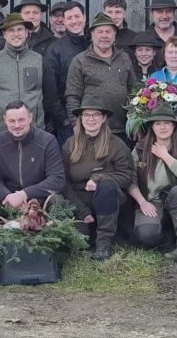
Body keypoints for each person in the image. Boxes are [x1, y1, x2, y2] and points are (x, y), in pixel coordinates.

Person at [62, 98, 135, 260]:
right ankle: (88, 231)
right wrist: (82, 211)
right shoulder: (70, 144)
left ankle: (103, 245)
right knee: (82, 242)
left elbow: (126, 176)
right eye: (86, 115)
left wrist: (99, 178)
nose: (91, 119)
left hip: (109, 200)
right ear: (80, 118)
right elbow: (63, 181)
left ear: (103, 118)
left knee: (107, 186)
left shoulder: (116, 144)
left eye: (96, 114)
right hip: (80, 201)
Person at [127, 104, 177, 263]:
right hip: (152, 202)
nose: (162, 127)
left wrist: (165, 156)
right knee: (146, 234)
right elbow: (129, 179)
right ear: (152, 127)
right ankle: (167, 236)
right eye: (158, 123)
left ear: (174, 126)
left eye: (167, 123)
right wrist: (143, 202)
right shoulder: (139, 149)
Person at [0, 13, 60, 137]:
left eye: (20, 30)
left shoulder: (40, 61)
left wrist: (37, 113)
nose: (16, 34)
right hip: (0, 131)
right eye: (11, 30)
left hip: (34, 130)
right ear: (4, 34)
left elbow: (50, 95)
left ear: (26, 33)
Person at [65, 13, 138, 144]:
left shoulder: (124, 58)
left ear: (114, 35)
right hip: (92, 130)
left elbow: (134, 92)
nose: (104, 35)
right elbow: (72, 96)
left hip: (123, 130)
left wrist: (137, 122)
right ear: (92, 35)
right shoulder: (80, 61)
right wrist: (76, 125)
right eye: (100, 31)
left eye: (108, 31)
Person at [0, 101, 66, 213]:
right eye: (12, 121)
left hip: (39, 196)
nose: (17, 125)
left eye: (21, 120)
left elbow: (57, 179)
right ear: (5, 120)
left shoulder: (48, 140)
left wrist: (24, 194)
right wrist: (9, 197)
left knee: (57, 202)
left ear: (30, 118)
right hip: (8, 197)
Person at [44, 1, 89, 142]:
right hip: (69, 122)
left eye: (77, 16)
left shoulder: (95, 44)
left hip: (97, 118)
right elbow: (50, 89)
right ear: (64, 21)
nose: (74, 21)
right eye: (69, 18)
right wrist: (64, 119)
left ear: (85, 17)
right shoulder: (55, 49)